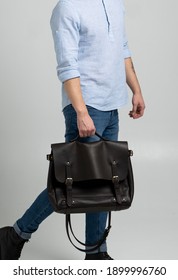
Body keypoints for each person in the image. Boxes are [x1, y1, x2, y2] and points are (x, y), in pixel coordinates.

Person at [0, 0, 145, 260]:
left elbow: (123, 49)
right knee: (72, 180)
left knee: (102, 180)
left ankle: (96, 252)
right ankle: (16, 234)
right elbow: (67, 64)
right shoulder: (67, 7)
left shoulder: (114, 3)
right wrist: (80, 112)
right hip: (86, 106)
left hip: (112, 105)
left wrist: (136, 90)